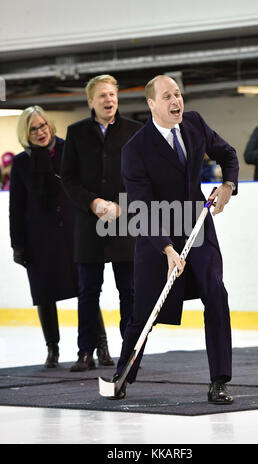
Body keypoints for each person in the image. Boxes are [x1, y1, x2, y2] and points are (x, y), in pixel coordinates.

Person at [110, 75, 239, 404]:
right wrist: (167, 248)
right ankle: (123, 373)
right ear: (152, 104)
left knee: (215, 291)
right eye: (167, 96)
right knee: (144, 312)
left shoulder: (194, 123)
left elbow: (228, 154)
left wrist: (228, 186)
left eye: (178, 94)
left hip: (198, 225)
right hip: (158, 235)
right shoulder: (135, 149)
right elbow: (141, 209)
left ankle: (219, 380)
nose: (176, 101)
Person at [61, 74, 142, 372]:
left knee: (130, 292)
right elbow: (67, 179)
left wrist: (124, 206)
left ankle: (131, 351)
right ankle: (85, 352)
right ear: (91, 101)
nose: (109, 100)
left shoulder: (135, 131)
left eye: (112, 95)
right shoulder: (76, 132)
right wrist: (93, 203)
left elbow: (142, 177)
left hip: (124, 221)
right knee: (88, 291)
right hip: (89, 222)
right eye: (102, 96)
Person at [9, 106, 78, 368]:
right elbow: (16, 207)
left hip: (73, 234)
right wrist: (18, 245)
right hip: (39, 240)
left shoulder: (68, 150)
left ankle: (98, 348)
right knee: (44, 295)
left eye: (42, 126)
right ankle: (53, 349)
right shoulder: (21, 163)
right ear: (26, 134)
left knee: (87, 291)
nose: (40, 132)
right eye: (33, 129)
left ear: (49, 125)